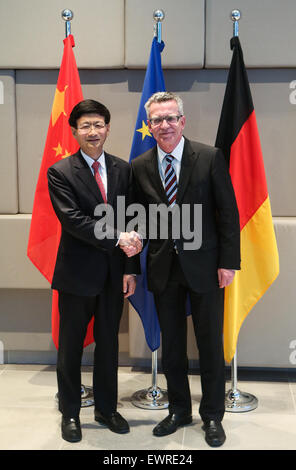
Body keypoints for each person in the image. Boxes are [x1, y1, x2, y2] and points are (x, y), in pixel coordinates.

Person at [125, 92, 240, 447]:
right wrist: (131, 266)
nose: (164, 125)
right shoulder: (140, 165)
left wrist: (228, 262)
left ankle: (212, 416)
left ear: (182, 121)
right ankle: (178, 409)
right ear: (150, 126)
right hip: (163, 268)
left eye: (170, 118)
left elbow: (228, 214)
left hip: (206, 266)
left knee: (208, 344)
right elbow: (133, 219)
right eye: (157, 120)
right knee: (173, 346)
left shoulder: (209, 157)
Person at [47, 99, 141, 443]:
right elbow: (73, 221)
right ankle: (70, 412)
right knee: (70, 346)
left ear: (107, 128)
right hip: (76, 275)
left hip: (113, 276)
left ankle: (106, 408)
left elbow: (132, 217)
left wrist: (130, 268)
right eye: (85, 126)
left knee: (108, 347)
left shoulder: (122, 169)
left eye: (98, 124)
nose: (92, 131)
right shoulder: (60, 172)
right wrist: (118, 237)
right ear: (74, 131)